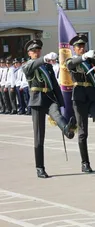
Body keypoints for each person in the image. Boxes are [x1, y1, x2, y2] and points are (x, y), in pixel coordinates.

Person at [22, 39, 77, 178]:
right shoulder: (29, 65)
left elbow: (54, 84)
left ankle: (66, 129)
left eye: (38, 50)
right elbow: (29, 68)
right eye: (34, 51)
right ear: (29, 53)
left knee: (57, 114)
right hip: (37, 99)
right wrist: (44, 59)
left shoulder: (47, 66)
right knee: (39, 136)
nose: (37, 52)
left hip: (50, 97)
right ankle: (40, 167)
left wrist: (62, 103)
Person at [66, 34, 95, 173]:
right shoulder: (71, 60)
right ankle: (85, 162)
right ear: (74, 49)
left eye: (83, 46)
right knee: (83, 131)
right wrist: (83, 58)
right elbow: (71, 65)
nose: (82, 48)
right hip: (79, 96)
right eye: (79, 47)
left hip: (91, 93)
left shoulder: (90, 60)